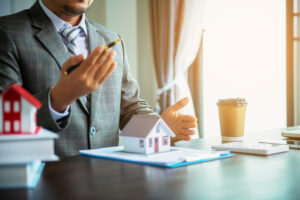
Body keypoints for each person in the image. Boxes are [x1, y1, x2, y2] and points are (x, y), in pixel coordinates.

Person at [0, 0, 197, 157]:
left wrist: (158, 126)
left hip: (110, 182)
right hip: (44, 182)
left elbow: (129, 107)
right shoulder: (7, 32)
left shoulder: (111, 38)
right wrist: (58, 99)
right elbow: (4, 119)